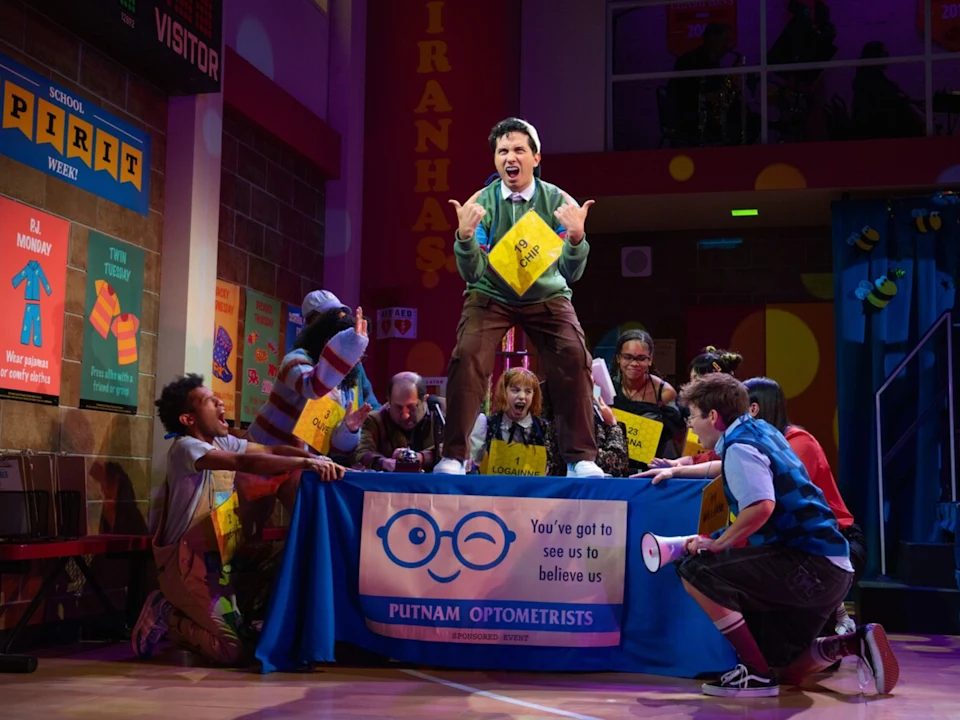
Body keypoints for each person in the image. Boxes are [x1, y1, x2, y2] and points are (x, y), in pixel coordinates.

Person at [670, 374, 898, 697]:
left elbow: (762, 506)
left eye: (692, 415)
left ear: (712, 417)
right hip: (833, 567)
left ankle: (754, 673)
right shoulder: (762, 431)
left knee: (694, 570)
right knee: (784, 668)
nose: (690, 425)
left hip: (811, 564)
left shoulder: (741, 448)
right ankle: (852, 643)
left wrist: (718, 542)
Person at [133, 374, 344, 665]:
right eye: (209, 401)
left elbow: (270, 450)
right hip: (185, 569)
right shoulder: (186, 448)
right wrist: (305, 462)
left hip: (215, 566)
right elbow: (244, 463)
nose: (220, 401)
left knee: (252, 643)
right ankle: (167, 612)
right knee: (231, 651)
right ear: (188, 419)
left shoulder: (223, 441)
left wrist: (316, 460)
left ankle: (188, 616)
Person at [434, 118, 603, 479]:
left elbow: (572, 273)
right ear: (496, 160)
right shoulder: (481, 203)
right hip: (491, 294)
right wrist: (464, 238)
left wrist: (576, 240)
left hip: (546, 295)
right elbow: (473, 273)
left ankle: (580, 459)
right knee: (467, 355)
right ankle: (454, 456)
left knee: (574, 354)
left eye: (518, 150)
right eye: (503, 151)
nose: (510, 157)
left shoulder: (559, 201)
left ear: (536, 157)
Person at [743, 376, 863, 635]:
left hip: (837, 540)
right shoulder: (753, 443)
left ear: (753, 409)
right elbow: (716, 457)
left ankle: (844, 622)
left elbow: (785, 503)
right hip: (796, 539)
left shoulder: (798, 442)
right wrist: (678, 467)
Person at [248, 306, 369, 450]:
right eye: (353, 354)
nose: (356, 362)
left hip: (299, 466)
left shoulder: (347, 385)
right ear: (328, 344)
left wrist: (349, 429)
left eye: (359, 355)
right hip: (261, 455)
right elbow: (313, 387)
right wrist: (349, 345)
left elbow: (333, 444)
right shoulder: (296, 361)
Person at [610, 330, 686, 469]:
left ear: (650, 360)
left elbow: (679, 435)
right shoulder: (606, 387)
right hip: (613, 462)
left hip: (652, 465)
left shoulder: (664, 392)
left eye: (641, 358)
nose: (634, 363)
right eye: (628, 357)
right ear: (618, 358)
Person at [469, 367, 558, 475]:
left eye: (528, 391)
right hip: (492, 490)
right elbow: (471, 464)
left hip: (532, 491)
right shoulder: (486, 424)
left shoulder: (545, 428)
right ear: (504, 392)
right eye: (515, 390)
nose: (522, 396)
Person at [302, 290, 381, 409]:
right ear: (310, 322)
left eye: (340, 315)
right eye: (330, 317)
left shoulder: (354, 364)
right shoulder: (300, 361)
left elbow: (372, 406)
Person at [353, 372, 445, 472]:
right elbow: (360, 453)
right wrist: (383, 462)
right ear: (389, 401)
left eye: (411, 407)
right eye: (398, 407)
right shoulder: (375, 420)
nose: (405, 415)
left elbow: (459, 446)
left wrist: (421, 457)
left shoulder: (446, 411)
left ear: (425, 399)